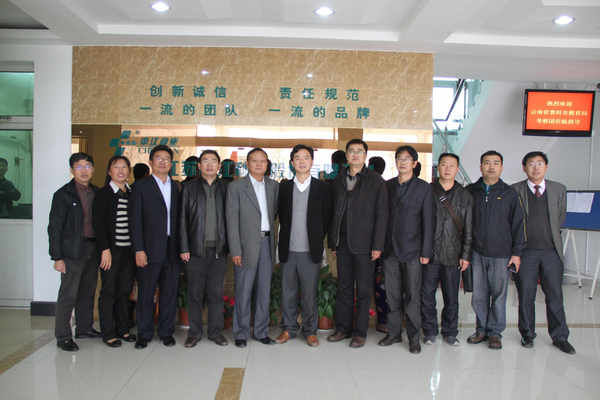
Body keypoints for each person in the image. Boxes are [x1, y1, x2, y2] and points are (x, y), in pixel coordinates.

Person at [512, 151, 575, 354]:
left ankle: (560, 337)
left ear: (546, 167)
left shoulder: (559, 189)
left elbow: (560, 217)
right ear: (524, 167)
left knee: (555, 295)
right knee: (526, 295)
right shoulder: (515, 190)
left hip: (551, 252)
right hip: (525, 252)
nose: (535, 167)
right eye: (531, 164)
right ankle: (527, 334)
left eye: (540, 163)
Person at [327, 139, 388, 348]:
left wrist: (378, 245)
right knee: (344, 287)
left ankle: (360, 333)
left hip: (366, 245)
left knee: (363, 290)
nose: (355, 154)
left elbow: (382, 215)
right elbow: (333, 212)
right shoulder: (337, 180)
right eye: (351, 151)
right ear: (346, 155)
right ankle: (342, 329)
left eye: (359, 151)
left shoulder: (376, 181)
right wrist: (333, 241)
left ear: (365, 155)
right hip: (342, 243)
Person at [466, 150, 525, 350]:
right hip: (477, 252)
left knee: (499, 295)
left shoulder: (509, 193)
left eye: (495, 163)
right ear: (480, 166)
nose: (491, 167)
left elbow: (518, 225)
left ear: (501, 167)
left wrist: (516, 253)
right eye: (487, 162)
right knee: (479, 295)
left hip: (501, 254)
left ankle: (495, 333)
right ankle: (481, 329)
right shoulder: (470, 191)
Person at [379, 145, 433, 354]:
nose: (402, 162)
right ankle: (393, 333)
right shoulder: (388, 185)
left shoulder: (423, 188)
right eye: (399, 159)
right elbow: (382, 218)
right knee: (391, 295)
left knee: (412, 296)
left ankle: (413, 338)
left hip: (413, 251)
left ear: (415, 163)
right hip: (390, 251)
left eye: (407, 159)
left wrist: (426, 251)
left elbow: (428, 221)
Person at [276, 145, 331, 347]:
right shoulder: (284, 187)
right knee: (288, 293)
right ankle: (289, 329)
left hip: (310, 250)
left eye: (306, 157)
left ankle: (310, 331)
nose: (301, 161)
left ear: (311, 162)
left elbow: (327, 217)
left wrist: (318, 238)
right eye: (297, 158)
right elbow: (279, 215)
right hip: (288, 250)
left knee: (309, 294)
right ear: (292, 163)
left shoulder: (322, 188)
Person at [226, 148, 279, 348]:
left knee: (264, 290)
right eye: (254, 160)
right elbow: (231, 221)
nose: (258, 164)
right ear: (247, 164)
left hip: (267, 243)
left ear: (267, 164)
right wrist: (235, 250)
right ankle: (241, 333)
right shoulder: (236, 187)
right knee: (243, 290)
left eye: (262, 161)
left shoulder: (273, 186)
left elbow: (274, 215)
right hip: (245, 245)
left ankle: (261, 331)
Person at [130, 144, 181, 349]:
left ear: (171, 163)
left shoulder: (176, 187)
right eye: (158, 158)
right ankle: (144, 333)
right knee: (146, 292)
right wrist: (138, 249)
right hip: (149, 248)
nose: (163, 162)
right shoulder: (140, 186)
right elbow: (135, 221)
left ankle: (166, 332)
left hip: (172, 247)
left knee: (170, 292)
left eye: (166, 159)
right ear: (151, 162)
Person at [48, 152, 100, 351]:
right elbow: (55, 227)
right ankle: (63, 336)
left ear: (93, 169)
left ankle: (84, 328)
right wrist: (57, 257)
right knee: (68, 294)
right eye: (79, 166)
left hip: (92, 248)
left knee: (88, 290)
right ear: (72, 170)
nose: (84, 170)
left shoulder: (96, 192)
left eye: (87, 166)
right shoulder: (63, 195)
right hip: (71, 251)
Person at [421, 153, 472, 347]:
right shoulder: (427, 191)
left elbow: (469, 228)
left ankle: (450, 332)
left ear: (457, 169)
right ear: (438, 168)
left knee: (451, 297)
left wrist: (465, 255)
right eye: (443, 164)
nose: (447, 169)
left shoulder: (465, 195)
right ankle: (429, 331)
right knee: (427, 295)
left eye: (451, 165)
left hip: (453, 254)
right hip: (430, 254)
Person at [179, 150, 229, 348]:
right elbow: (182, 220)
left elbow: (232, 219)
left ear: (219, 166)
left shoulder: (226, 188)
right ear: (199, 166)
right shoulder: (189, 188)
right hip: (195, 251)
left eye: (213, 161)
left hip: (219, 250)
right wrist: (184, 247)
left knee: (216, 293)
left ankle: (215, 332)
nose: (209, 164)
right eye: (205, 161)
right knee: (195, 294)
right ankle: (194, 333)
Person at [92, 156, 137, 347]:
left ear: (129, 171)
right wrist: (104, 249)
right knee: (109, 291)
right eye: (116, 167)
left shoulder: (132, 192)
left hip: (129, 251)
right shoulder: (103, 194)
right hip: (111, 251)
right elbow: (98, 224)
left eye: (124, 167)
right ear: (109, 171)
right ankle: (108, 332)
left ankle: (123, 329)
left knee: (124, 291)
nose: (120, 171)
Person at [368, 156, 390, 333]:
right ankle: (382, 320)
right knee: (380, 284)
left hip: (378, 245)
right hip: (379, 244)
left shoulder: (380, 185)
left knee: (380, 284)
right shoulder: (385, 184)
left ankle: (383, 320)